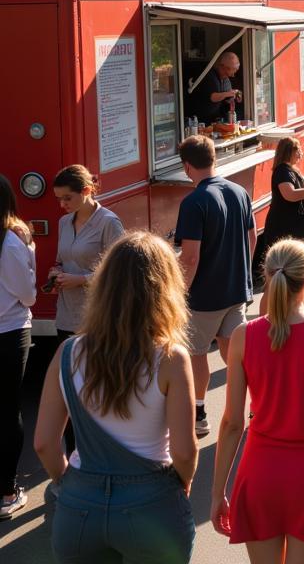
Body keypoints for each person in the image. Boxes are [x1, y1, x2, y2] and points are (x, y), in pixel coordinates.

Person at [34, 232, 198, 564]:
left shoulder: (68, 353)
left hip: (79, 507)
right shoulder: (170, 357)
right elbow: (183, 450)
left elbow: (44, 444)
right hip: (151, 504)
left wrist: (69, 486)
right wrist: (183, 482)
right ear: (165, 289)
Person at [210, 239, 304, 561]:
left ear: (267, 276)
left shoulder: (244, 336)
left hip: (261, 471)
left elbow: (232, 423)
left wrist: (218, 492)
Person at [174, 136, 256, 437]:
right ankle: (256, 406)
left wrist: (180, 293)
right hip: (236, 292)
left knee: (196, 354)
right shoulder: (239, 192)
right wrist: (240, 273)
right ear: (213, 158)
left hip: (203, 299)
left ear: (186, 166)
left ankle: (199, 413)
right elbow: (251, 238)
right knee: (235, 354)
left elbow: (191, 257)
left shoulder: (194, 203)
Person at [52, 165, 125, 454]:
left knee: (97, 390)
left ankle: (103, 453)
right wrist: (55, 273)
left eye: (67, 198)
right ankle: (75, 454)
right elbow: (61, 259)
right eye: (59, 199)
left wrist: (80, 280)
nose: (62, 205)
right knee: (70, 389)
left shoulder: (109, 222)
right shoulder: (63, 222)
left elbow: (118, 272)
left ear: (86, 191)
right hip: (66, 315)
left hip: (97, 317)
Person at [0, 175, 35, 519]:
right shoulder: (11, 244)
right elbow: (27, 295)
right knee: (9, 412)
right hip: (9, 332)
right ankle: (7, 491)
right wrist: (31, 254)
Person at [255, 137, 304, 287]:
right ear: (289, 152)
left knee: (291, 276)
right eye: (297, 149)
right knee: (276, 279)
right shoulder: (282, 172)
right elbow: (290, 194)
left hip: (294, 226)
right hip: (283, 228)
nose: (301, 152)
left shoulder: (293, 171)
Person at [194, 51, 244, 124]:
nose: (232, 75)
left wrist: (234, 97)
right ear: (224, 67)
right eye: (232, 71)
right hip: (201, 120)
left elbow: (226, 99)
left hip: (216, 119)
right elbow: (212, 97)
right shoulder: (210, 76)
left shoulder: (226, 79)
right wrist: (228, 94)